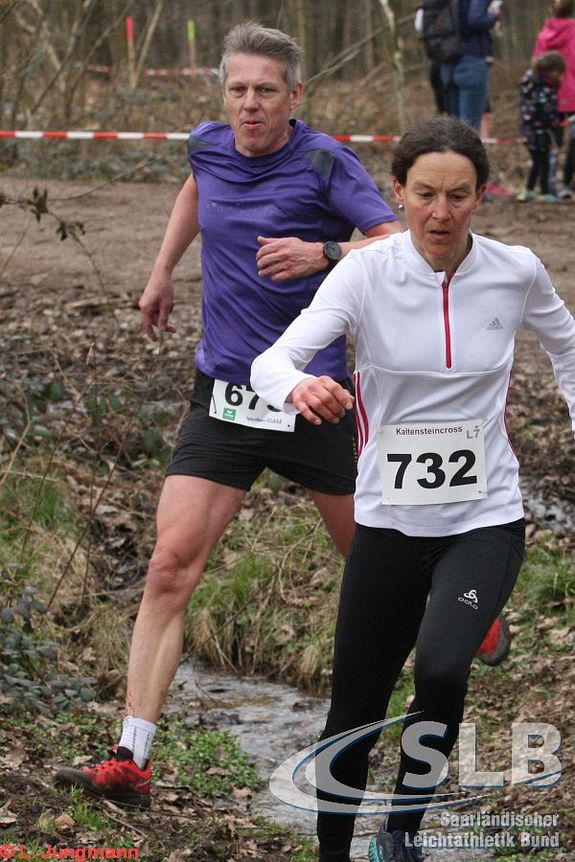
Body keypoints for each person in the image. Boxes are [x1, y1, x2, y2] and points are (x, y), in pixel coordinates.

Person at [53, 21, 402, 807]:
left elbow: (398, 242)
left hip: (312, 398)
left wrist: (324, 253)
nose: (249, 104)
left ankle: (459, 618)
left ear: (294, 96)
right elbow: (195, 187)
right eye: (237, 89)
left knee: (377, 562)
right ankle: (130, 759)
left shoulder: (325, 161)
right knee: (168, 567)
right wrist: (162, 271)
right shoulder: (208, 145)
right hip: (224, 397)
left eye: (265, 91)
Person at [251, 115, 575, 862]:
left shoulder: (516, 270)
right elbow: (272, 362)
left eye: (458, 196)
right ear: (397, 192)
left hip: (484, 516)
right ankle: (333, 852)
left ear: (480, 195)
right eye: (424, 194)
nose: (440, 213)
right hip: (390, 522)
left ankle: (400, 833)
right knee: (354, 710)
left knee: (440, 669)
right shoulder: (365, 272)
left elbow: (567, 347)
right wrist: (298, 387)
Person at [533, 0, 575, 198]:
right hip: (571, 94)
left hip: (547, 96)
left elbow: (536, 64)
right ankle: (566, 182)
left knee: (552, 140)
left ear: (552, 10)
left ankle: (548, 186)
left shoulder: (544, 33)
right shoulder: (573, 31)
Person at [441, 0, 501, 132]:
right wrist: (494, 16)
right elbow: (475, 20)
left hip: (449, 63)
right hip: (472, 60)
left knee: (454, 129)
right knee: (469, 127)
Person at [517, 51, 566, 202]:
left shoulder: (530, 84)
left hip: (527, 129)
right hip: (539, 132)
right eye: (559, 73)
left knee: (537, 162)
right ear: (552, 71)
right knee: (543, 162)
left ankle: (528, 190)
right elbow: (546, 110)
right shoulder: (544, 88)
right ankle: (544, 192)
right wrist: (555, 121)